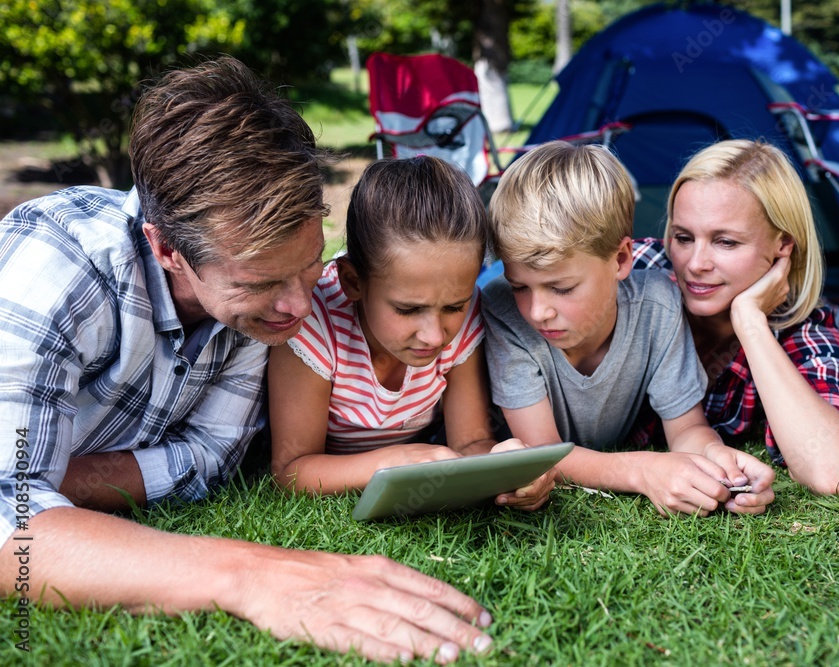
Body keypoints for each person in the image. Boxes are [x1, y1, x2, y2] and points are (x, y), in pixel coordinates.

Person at [0, 57, 493, 664]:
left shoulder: (259, 310)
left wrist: (58, 480)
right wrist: (250, 573)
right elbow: (11, 520)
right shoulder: (55, 272)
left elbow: (214, 455)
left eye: (311, 262)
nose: (299, 306)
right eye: (261, 282)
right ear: (167, 249)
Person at [480, 140, 776, 517]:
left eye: (562, 288)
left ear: (621, 258)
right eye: (519, 285)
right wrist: (641, 470)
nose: (538, 311)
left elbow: (686, 429)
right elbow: (542, 453)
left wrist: (718, 461)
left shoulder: (659, 307)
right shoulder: (504, 312)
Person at [268, 156, 552, 510]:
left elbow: (470, 441)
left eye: (453, 307)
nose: (435, 336)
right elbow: (292, 471)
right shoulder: (316, 325)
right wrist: (392, 462)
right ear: (353, 281)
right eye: (408, 309)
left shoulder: (464, 319)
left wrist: (505, 466)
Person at [633, 139, 839, 495]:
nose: (696, 264)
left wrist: (750, 322)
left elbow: (832, 472)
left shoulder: (797, 324)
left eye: (726, 242)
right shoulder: (638, 273)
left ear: (783, 244)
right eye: (683, 237)